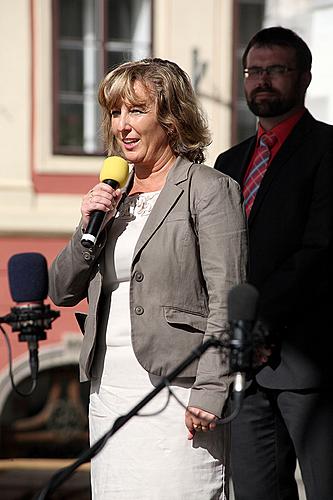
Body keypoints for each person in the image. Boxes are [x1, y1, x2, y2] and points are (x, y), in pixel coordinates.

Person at [49, 57, 247, 499]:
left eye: (136, 110)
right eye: (116, 112)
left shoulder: (208, 188)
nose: (123, 125)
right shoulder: (109, 199)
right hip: (110, 390)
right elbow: (61, 290)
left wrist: (212, 391)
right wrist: (88, 224)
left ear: (172, 118)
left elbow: (227, 300)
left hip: (179, 391)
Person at [215, 26, 333, 500]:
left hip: (311, 362)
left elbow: (322, 250)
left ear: (304, 78)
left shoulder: (327, 150)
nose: (262, 80)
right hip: (243, 368)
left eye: (275, 70)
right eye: (253, 71)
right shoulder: (228, 163)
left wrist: (259, 322)